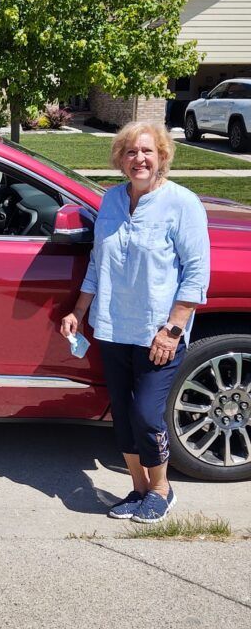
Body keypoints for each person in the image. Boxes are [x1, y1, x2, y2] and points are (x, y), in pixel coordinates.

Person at [60, 122, 210, 523]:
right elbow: (98, 262)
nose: (139, 159)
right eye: (130, 152)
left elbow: (196, 274)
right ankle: (139, 488)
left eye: (147, 151)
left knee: (145, 413)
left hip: (157, 332)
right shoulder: (111, 200)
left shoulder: (182, 203)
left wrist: (173, 329)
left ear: (162, 156)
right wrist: (79, 310)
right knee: (123, 415)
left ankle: (161, 489)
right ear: (120, 159)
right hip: (112, 327)